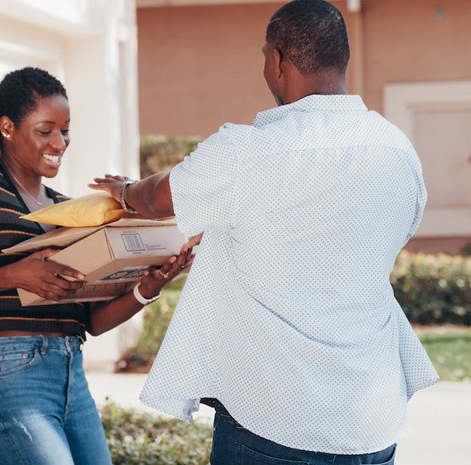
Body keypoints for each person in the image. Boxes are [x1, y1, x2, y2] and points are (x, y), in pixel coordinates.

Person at [89, 1, 438, 464]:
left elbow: (158, 199)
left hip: (273, 418)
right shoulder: (398, 150)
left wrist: (125, 190)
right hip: (371, 419)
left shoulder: (247, 153)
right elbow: (398, 232)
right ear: (342, 60)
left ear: (278, 59)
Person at [0, 67, 194, 465]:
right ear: (8, 127)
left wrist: (146, 289)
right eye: (45, 130)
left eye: (65, 130)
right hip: (8, 373)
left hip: (71, 375)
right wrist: (15, 274)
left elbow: (90, 322)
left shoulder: (69, 211)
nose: (59, 142)